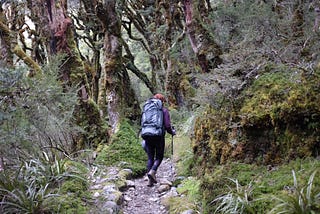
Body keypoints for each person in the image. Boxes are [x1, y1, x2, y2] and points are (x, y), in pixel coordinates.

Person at [144, 93, 176, 187]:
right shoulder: (164, 111)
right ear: (161, 101)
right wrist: (172, 132)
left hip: (147, 134)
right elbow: (167, 125)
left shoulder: (147, 109)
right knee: (159, 157)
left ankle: (150, 181)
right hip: (158, 136)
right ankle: (153, 171)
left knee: (150, 157)